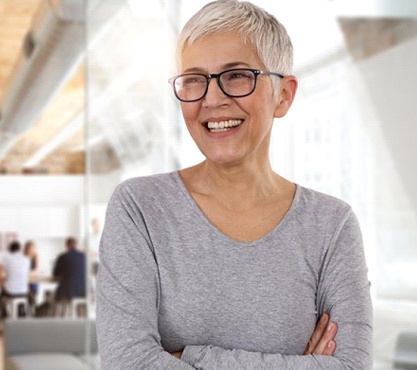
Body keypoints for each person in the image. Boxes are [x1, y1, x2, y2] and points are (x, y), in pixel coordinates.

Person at [96, 1, 373, 368]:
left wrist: (191, 357)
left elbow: (352, 365)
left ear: (284, 95)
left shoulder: (332, 225)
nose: (212, 99)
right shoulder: (140, 208)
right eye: (194, 79)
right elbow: (127, 362)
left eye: (237, 75)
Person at [53, 237, 86, 311]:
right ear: (77, 245)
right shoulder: (84, 257)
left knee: (54, 299)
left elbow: (55, 274)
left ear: (66, 245)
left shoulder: (62, 257)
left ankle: (56, 320)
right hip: (83, 290)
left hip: (67, 290)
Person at [0, 240, 31, 317]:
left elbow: (1, 274)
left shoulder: (5, 258)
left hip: (10, 291)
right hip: (24, 291)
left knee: (2, 297)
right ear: (20, 249)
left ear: (10, 250)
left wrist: (2, 283)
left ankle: (4, 317)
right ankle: (21, 314)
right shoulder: (27, 259)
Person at [23, 240, 39, 306]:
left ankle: (32, 306)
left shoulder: (35, 257)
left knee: (32, 288)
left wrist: (28, 272)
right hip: (24, 280)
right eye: (30, 248)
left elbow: (36, 269)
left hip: (32, 280)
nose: (31, 250)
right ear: (26, 249)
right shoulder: (23, 257)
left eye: (33, 248)